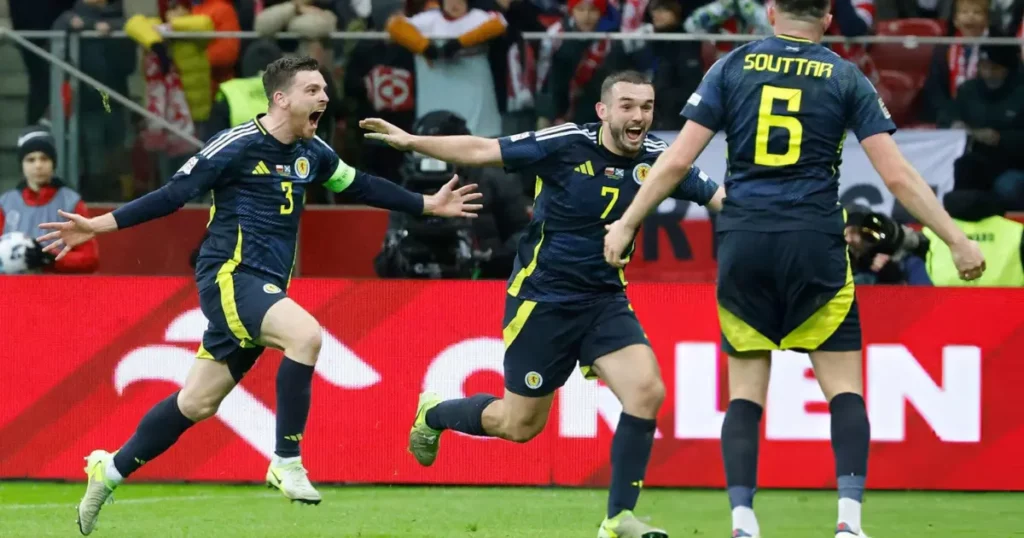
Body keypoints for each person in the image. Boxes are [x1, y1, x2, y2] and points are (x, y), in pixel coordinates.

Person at [38, 56, 482, 536]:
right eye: (312, 90)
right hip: (230, 274)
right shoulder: (236, 146)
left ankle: (110, 470)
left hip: (265, 287)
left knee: (197, 403)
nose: (324, 98)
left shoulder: (314, 153)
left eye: (324, 90)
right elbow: (171, 195)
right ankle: (286, 459)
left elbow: (361, 184)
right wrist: (96, 226)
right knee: (306, 337)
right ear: (281, 98)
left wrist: (427, 204)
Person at [602, 0, 987, 536]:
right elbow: (897, 176)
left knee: (743, 394)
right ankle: (848, 522)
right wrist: (956, 239)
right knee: (845, 391)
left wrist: (625, 223)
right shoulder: (845, 75)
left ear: (771, 10)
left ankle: (743, 521)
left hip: (745, 239)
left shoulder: (731, 67)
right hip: (814, 242)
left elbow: (675, 160)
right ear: (829, 17)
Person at [361, 70, 725, 538]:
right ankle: (435, 412)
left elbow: (718, 196)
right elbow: (482, 150)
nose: (639, 116)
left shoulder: (660, 158)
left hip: (604, 300)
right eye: (628, 106)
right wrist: (412, 141)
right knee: (518, 426)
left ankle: (618, 519)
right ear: (604, 111)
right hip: (543, 300)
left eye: (648, 107)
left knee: (646, 392)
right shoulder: (565, 143)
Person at [0, 126, 98, 274]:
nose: (38, 165)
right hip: (12, 291)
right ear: (22, 164)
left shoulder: (71, 203)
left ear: (53, 163)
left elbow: (90, 259)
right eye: (30, 159)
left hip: (56, 290)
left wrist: (48, 258)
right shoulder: (6, 203)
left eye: (44, 158)